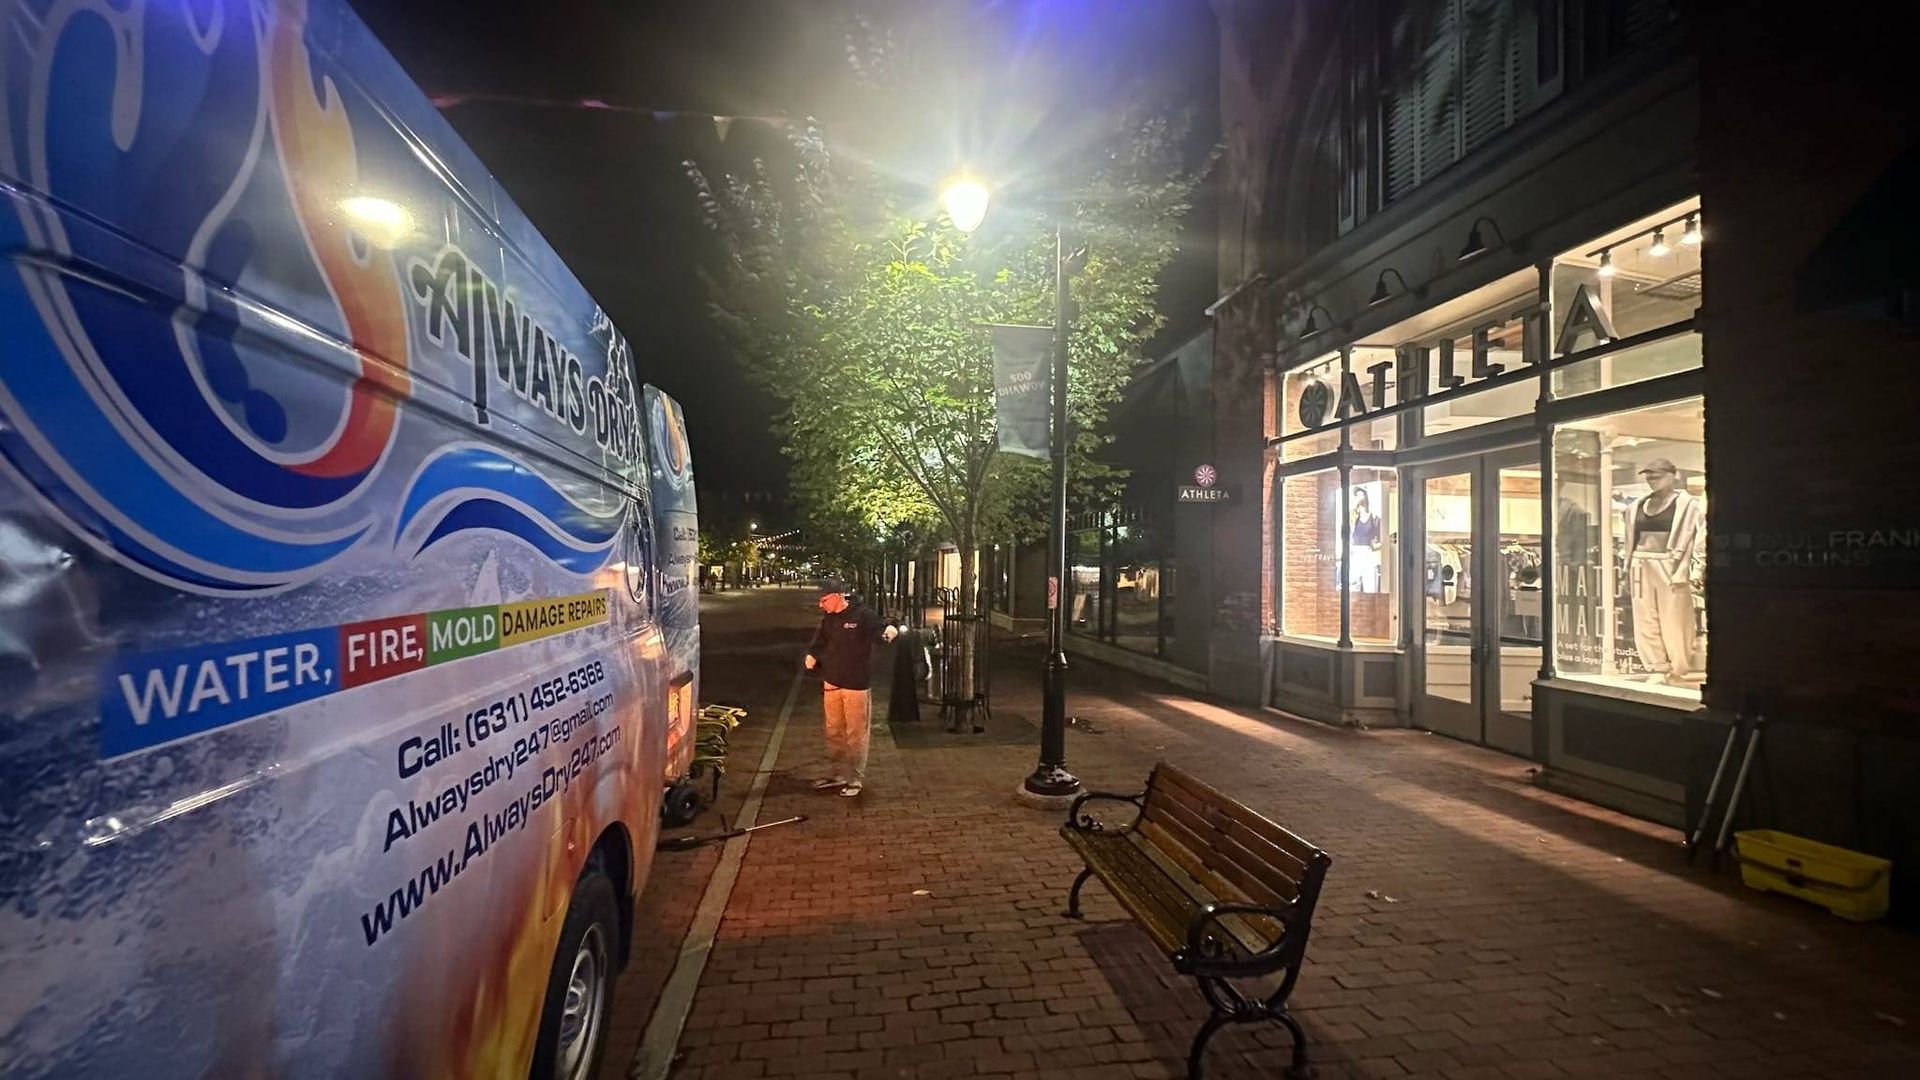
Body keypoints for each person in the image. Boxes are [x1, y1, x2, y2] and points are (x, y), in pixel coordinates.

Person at [805, 579, 897, 797]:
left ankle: (855, 778)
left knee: (855, 733)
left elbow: (880, 631)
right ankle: (837, 774)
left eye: (824, 600)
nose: (821, 605)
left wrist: (889, 631)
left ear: (838, 596)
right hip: (832, 682)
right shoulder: (828, 619)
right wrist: (812, 655)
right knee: (833, 731)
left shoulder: (862, 615)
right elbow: (820, 641)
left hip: (856, 684)